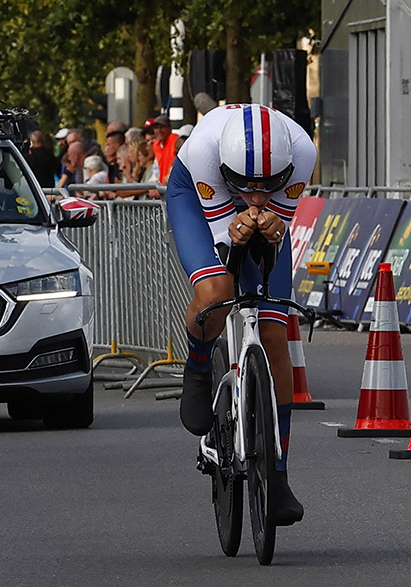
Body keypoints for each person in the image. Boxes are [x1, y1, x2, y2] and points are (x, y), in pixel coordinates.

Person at [166, 103, 317, 527]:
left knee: (274, 331)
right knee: (217, 291)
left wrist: (268, 224)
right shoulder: (203, 152)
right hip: (195, 197)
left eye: (267, 186)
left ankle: (279, 471)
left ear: (286, 171)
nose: (255, 196)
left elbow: (271, 236)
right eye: (246, 187)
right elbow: (228, 247)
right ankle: (198, 369)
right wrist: (242, 222)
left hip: (253, 206)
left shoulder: (302, 151)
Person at [147, 115, 178, 185]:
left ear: (169, 128)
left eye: (162, 127)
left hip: (172, 185)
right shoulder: (156, 145)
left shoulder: (175, 140)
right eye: (156, 128)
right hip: (161, 186)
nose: (159, 131)